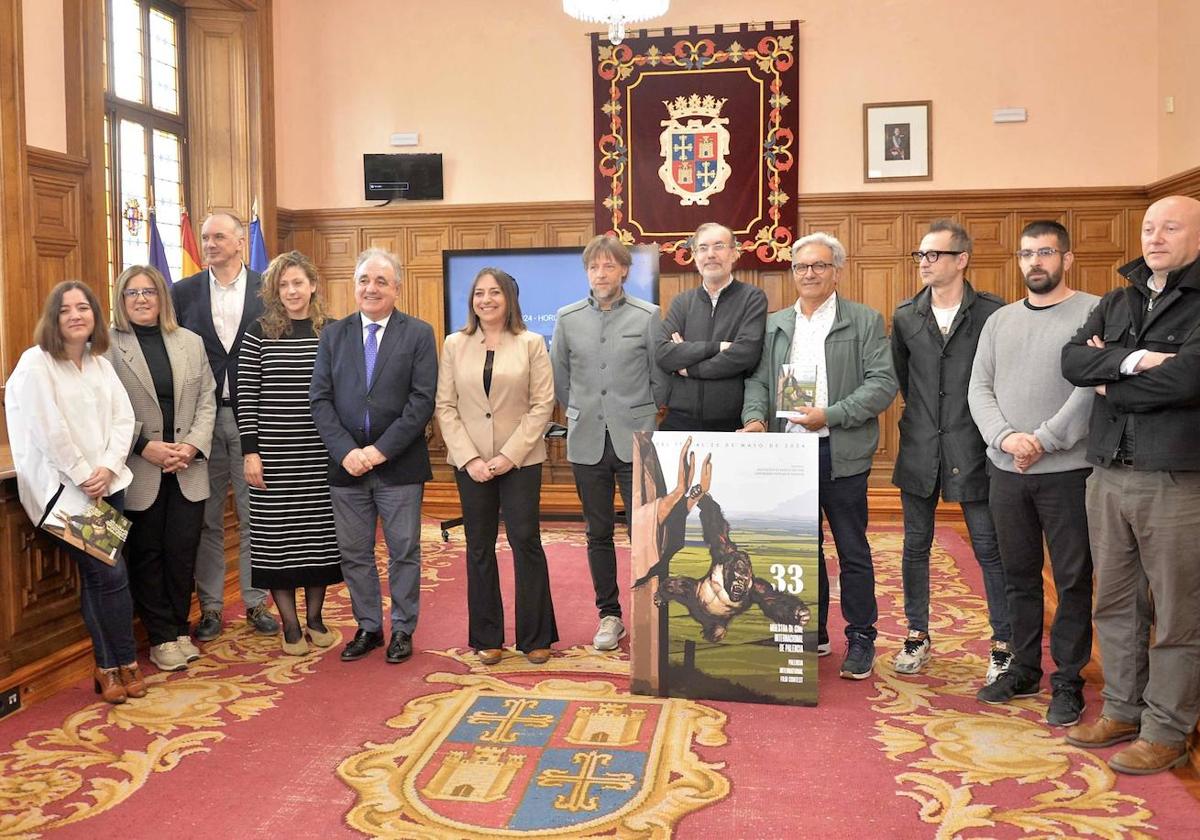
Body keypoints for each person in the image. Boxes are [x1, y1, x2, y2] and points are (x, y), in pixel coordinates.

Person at [1061, 194, 1200, 775]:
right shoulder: (1117, 299)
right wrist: (1138, 361)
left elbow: (1189, 380)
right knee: (1114, 602)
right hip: (1107, 473)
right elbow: (1071, 361)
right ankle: (1123, 708)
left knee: (1177, 611)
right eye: (1148, 227)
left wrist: (1112, 373)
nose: (1155, 236)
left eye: (1170, 227)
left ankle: (1167, 729)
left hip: (1174, 478)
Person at [740, 232, 897, 680]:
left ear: (837, 272)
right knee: (800, 549)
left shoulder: (864, 321)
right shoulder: (775, 324)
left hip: (840, 450)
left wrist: (831, 414)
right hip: (787, 452)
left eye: (819, 266)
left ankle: (861, 636)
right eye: (801, 266)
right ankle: (813, 633)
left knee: (852, 549)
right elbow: (757, 382)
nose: (809, 273)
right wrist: (755, 418)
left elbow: (882, 384)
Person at [969, 220, 1097, 726]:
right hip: (1006, 469)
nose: (1034, 263)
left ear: (1066, 259)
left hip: (1069, 470)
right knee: (1017, 574)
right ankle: (1023, 668)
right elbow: (979, 387)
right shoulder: (999, 320)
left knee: (1071, 578)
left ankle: (1068, 679)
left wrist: (1044, 439)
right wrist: (1006, 438)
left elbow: (1090, 386)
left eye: (1045, 253)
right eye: (1026, 254)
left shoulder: (1092, 311)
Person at [5, 281, 145, 704]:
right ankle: (116, 664)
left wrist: (107, 468)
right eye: (65, 310)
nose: (76, 315)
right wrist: (87, 475)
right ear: (54, 317)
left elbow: (125, 418)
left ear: (95, 316)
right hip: (66, 492)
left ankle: (114, 667)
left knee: (101, 577)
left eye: (83, 307)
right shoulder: (36, 364)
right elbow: (50, 431)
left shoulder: (99, 362)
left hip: (108, 483)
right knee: (110, 574)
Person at [890, 220, 1011, 683]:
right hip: (920, 445)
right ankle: (917, 634)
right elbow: (906, 380)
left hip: (975, 446)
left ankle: (1003, 643)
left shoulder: (993, 314)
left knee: (988, 548)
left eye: (933, 255)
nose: (924, 262)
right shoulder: (905, 316)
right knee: (914, 547)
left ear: (961, 259)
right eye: (920, 255)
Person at [311, 248, 437, 664]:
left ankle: (402, 628)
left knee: (404, 551)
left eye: (381, 281)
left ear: (397, 288)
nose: (372, 288)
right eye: (365, 279)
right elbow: (320, 401)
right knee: (354, 553)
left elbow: (421, 403)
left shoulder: (418, 334)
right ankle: (368, 626)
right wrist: (347, 452)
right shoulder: (333, 335)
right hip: (346, 468)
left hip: (399, 465)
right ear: (354, 285)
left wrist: (378, 451)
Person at [550, 235, 668, 651]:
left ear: (624, 271)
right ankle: (609, 615)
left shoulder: (647, 315)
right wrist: (582, 411)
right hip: (586, 443)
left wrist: (645, 414)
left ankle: (649, 611)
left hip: (636, 438)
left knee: (645, 532)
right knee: (597, 532)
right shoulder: (567, 318)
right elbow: (560, 380)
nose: (601, 274)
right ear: (588, 273)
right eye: (594, 267)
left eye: (609, 266)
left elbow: (660, 377)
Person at [436, 268, 557, 665]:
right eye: (479, 294)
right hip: (470, 463)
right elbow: (445, 406)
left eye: (494, 293)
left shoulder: (531, 342)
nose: (486, 300)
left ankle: (535, 636)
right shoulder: (455, 344)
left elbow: (543, 404)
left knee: (525, 541)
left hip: (520, 460)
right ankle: (487, 637)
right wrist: (470, 458)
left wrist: (509, 455)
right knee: (479, 547)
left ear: (509, 298)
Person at [171, 211, 278, 640]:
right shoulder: (183, 292)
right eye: (205, 237)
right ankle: (212, 608)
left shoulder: (269, 289)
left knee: (256, 516)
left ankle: (256, 603)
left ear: (239, 243)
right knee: (208, 518)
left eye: (219, 237)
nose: (210, 244)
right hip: (202, 420)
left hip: (256, 418)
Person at [107, 266, 216, 673]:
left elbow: (207, 400)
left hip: (187, 466)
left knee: (182, 552)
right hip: (140, 467)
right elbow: (106, 408)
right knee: (148, 552)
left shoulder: (189, 341)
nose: (141, 299)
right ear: (121, 299)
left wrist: (191, 446)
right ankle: (160, 637)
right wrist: (144, 447)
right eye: (132, 292)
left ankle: (179, 628)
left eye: (149, 291)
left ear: (162, 298)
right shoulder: (108, 346)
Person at [238, 251, 343, 656]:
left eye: (298, 282)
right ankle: (291, 626)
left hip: (320, 454)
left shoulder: (331, 332)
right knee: (277, 542)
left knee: (318, 540)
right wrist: (251, 453)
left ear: (313, 285)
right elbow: (246, 395)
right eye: (283, 285)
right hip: (272, 456)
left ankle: (316, 619)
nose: (291, 291)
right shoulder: (258, 332)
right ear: (274, 291)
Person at [655, 222, 767, 431]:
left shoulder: (752, 298)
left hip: (731, 423)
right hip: (679, 421)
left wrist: (689, 367)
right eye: (703, 248)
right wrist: (717, 347)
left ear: (734, 253)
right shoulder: (682, 302)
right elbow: (663, 353)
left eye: (719, 246)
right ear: (695, 256)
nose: (711, 254)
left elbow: (745, 354)